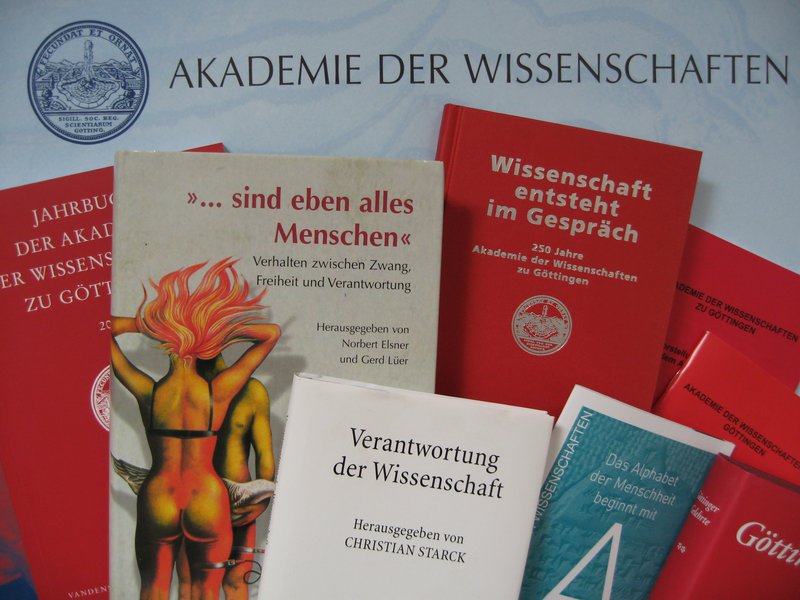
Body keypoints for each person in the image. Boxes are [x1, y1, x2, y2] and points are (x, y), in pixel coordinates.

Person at [111, 258, 280, 599]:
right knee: (206, 591)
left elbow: (102, 328)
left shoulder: (149, 393)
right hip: (207, 497)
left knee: (153, 588)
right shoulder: (218, 393)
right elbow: (271, 334)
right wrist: (211, 330)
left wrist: (154, 326)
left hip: (159, 495)